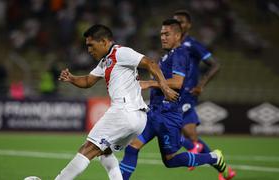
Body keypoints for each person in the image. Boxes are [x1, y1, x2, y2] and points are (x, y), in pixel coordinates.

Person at [55, 24, 178, 180]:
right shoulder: (105, 61)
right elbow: (87, 81)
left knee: (88, 149)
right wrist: (72, 78)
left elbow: (150, 63)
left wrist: (165, 88)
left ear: (105, 41)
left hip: (123, 112)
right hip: (137, 119)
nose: (89, 50)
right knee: (105, 152)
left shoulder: (121, 52)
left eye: (91, 45)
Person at [120, 19, 228, 180]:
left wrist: (149, 83)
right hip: (154, 112)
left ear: (177, 36)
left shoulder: (180, 54)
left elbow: (178, 82)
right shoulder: (167, 56)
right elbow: (163, 80)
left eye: (167, 34)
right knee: (132, 148)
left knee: (170, 161)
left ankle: (213, 157)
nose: (163, 37)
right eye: (162, 34)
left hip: (167, 116)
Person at [173, 10, 235, 180]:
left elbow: (215, 64)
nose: (178, 24)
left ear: (189, 25)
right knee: (190, 136)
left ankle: (195, 148)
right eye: (175, 21)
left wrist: (201, 84)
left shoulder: (192, 44)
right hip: (175, 94)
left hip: (187, 94)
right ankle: (226, 170)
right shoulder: (172, 44)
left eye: (181, 22)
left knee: (168, 129)